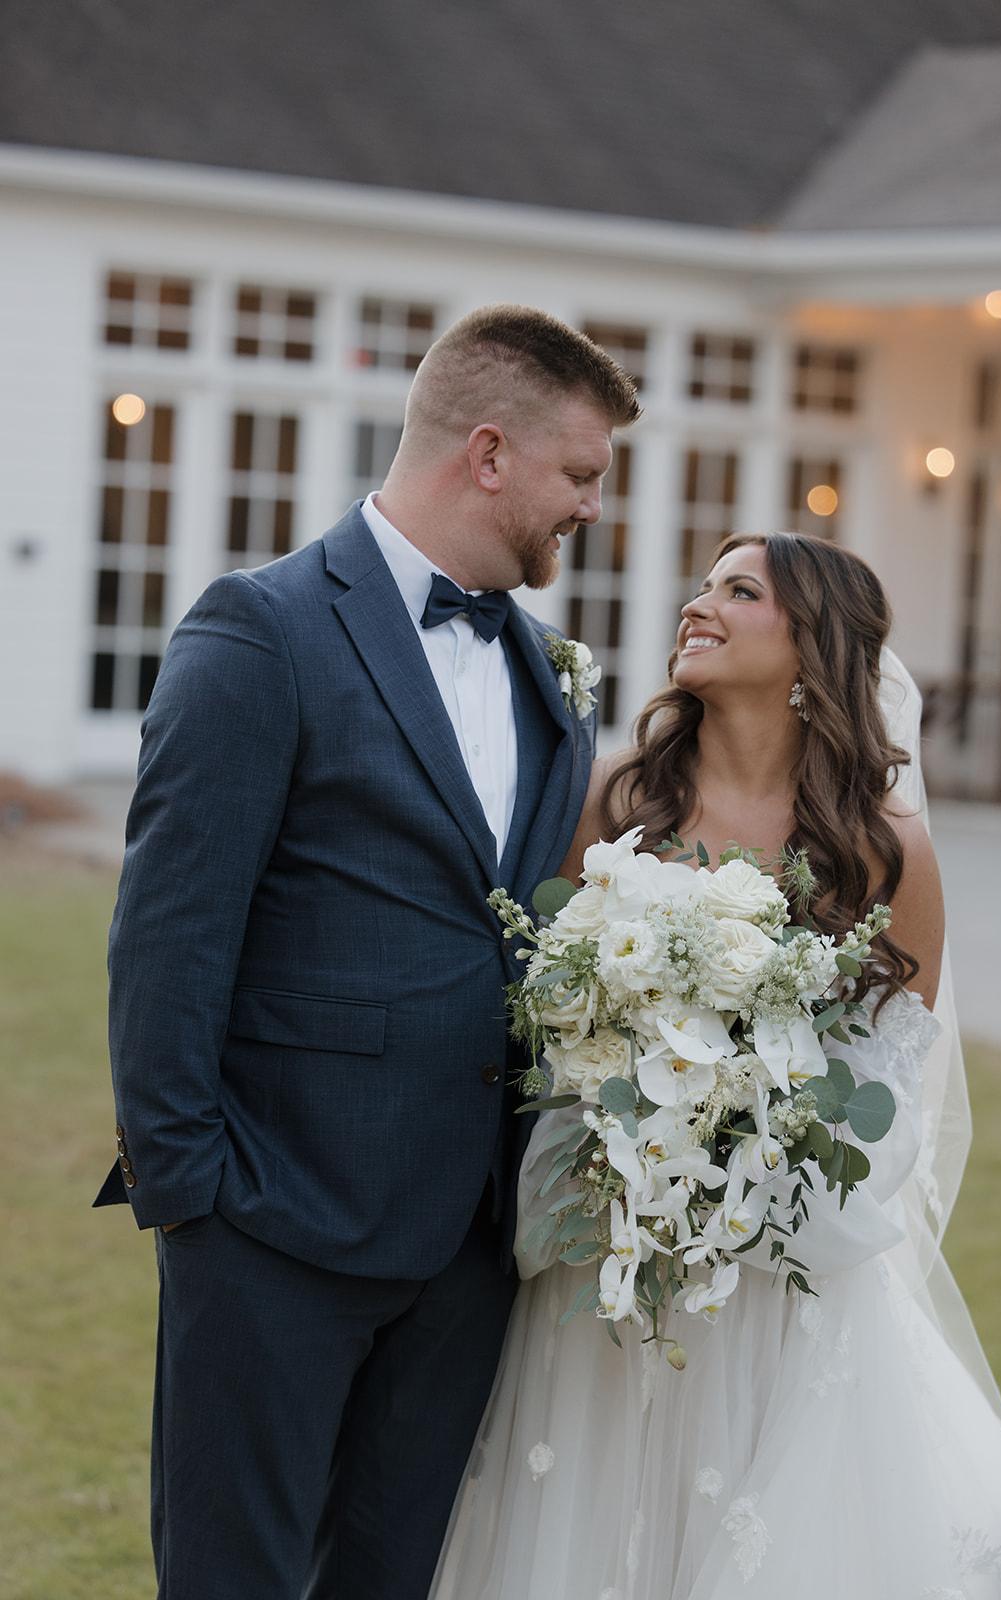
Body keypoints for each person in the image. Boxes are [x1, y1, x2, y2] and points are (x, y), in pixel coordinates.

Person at [93, 304, 640, 1598]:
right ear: (489, 453)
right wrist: (195, 1202)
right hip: (270, 1233)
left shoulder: (550, 677)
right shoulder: (260, 633)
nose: (588, 508)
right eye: (579, 474)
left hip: (464, 1245)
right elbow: (166, 938)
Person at [430, 532, 1001, 1599]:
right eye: (700, 585)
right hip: (606, 1256)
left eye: (738, 590)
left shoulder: (879, 847)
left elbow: (891, 1078)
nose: (697, 605)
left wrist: (740, 1159)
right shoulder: (614, 799)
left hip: (775, 1272)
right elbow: (539, 1013)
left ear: (812, 645)